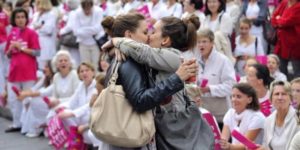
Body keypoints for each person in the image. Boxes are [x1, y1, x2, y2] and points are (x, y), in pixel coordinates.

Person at [100, 13, 201, 149]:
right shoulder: (129, 61)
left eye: (152, 32)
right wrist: (118, 44)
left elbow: (144, 53)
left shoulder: (172, 56)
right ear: (129, 35)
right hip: (129, 136)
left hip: (175, 126)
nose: (148, 36)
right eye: (146, 32)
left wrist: (116, 41)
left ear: (165, 40)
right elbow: (140, 100)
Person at [4, 8, 41, 133]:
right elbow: (7, 55)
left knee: (27, 99)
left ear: (26, 19)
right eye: (18, 17)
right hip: (14, 71)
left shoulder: (32, 33)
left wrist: (22, 48)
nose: (20, 20)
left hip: (28, 72)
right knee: (13, 99)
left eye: (22, 17)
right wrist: (10, 49)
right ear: (14, 19)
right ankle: (16, 123)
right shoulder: (11, 34)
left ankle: (28, 125)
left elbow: (37, 52)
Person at [195, 28, 236, 127]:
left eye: (204, 41)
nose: (201, 45)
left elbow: (231, 87)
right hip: (201, 114)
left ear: (212, 43)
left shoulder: (223, 61)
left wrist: (209, 89)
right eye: (198, 42)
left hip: (220, 116)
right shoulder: (195, 60)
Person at [57, 62, 98, 146]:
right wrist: (60, 107)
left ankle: (80, 140)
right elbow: (72, 102)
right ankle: (75, 137)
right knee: (62, 112)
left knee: (89, 136)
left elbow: (88, 106)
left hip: (92, 122)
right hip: (81, 119)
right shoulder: (81, 85)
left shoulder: (96, 86)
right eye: (81, 71)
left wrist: (72, 113)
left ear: (93, 72)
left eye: (87, 70)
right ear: (79, 75)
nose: (84, 73)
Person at [220, 83, 265, 149]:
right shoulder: (230, 113)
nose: (234, 100)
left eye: (238, 96)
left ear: (249, 100)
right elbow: (223, 138)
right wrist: (223, 144)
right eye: (233, 96)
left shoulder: (257, 117)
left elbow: (246, 145)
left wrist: (229, 146)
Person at [17, 60, 55, 137]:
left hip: (52, 102)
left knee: (33, 100)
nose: (44, 69)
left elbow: (44, 92)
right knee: (27, 99)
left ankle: (40, 125)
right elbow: (34, 88)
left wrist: (26, 94)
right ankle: (29, 127)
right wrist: (23, 93)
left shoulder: (56, 78)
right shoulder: (45, 77)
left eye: (47, 67)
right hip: (45, 100)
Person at [258, 81, 300, 150]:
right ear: (271, 99)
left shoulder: (298, 118)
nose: (280, 97)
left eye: (284, 94)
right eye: (276, 94)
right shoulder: (268, 121)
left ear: (290, 99)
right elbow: (266, 146)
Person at [271, 0, 300, 79]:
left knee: (297, 72)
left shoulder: (298, 6)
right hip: (281, 44)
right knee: (281, 71)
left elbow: (287, 22)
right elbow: (273, 18)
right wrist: (278, 20)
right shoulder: (284, 3)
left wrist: (279, 19)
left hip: (295, 45)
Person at [72, 0, 104, 70]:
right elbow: (75, 31)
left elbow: (98, 28)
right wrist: (91, 30)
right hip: (83, 43)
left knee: (95, 65)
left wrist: (83, 30)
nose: (87, 12)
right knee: (85, 65)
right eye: (85, 10)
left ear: (92, 7)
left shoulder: (99, 11)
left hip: (95, 42)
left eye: (88, 9)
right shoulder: (77, 13)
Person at [31, 0, 58, 70]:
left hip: (46, 44)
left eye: (37, 3)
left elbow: (48, 30)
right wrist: (39, 27)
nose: (35, 5)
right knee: (37, 64)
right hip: (36, 43)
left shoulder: (51, 15)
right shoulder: (36, 14)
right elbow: (31, 27)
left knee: (46, 66)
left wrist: (38, 28)